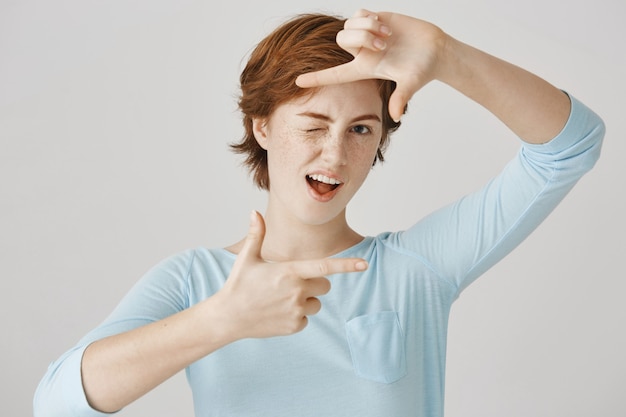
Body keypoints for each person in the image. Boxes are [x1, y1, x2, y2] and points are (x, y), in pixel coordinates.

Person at [34, 9, 604, 417]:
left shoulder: (416, 268)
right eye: (312, 125)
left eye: (361, 129)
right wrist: (222, 321)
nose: (335, 154)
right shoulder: (198, 282)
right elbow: (57, 403)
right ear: (262, 126)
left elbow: (571, 145)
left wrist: (445, 55)